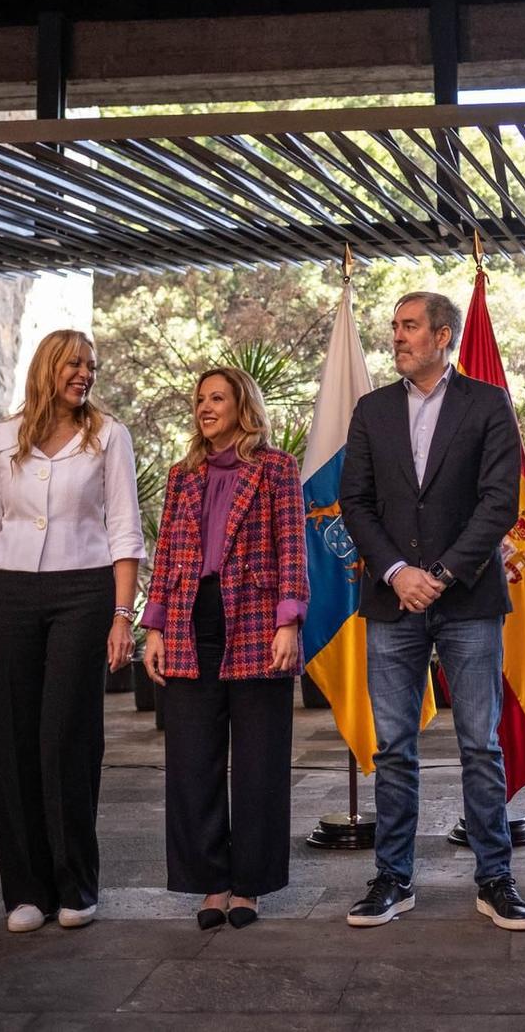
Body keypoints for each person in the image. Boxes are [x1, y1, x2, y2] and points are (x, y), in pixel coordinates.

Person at [338, 291, 525, 931]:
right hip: (392, 601)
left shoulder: (487, 404)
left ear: (444, 335)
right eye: (394, 326)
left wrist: (442, 574)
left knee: (480, 744)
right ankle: (394, 877)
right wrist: (398, 572)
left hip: (470, 600)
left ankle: (495, 878)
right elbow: (356, 503)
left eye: (410, 326)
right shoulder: (371, 411)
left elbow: (499, 502)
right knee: (393, 747)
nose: (397, 336)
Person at [0, 329, 145, 934]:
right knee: (11, 739)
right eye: (74, 363)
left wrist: (122, 615)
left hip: (84, 593)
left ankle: (76, 885)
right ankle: (25, 892)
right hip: (9, 596)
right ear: (47, 368)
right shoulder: (1, 439)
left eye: (91, 365)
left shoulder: (108, 436)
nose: (85, 373)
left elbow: (124, 531)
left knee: (67, 734)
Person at [140, 366, 309, 930]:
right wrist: (155, 626)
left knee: (260, 762)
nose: (205, 407)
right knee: (192, 762)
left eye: (217, 398)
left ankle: (250, 887)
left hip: (258, 620)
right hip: (191, 624)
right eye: (200, 399)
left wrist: (290, 620)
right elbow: (166, 555)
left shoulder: (277, 467)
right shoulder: (181, 475)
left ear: (243, 405)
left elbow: (293, 545)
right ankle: (210, 883)